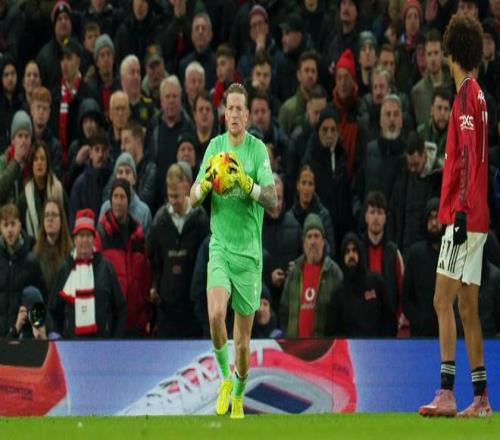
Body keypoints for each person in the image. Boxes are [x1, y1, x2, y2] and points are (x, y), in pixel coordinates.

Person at [419, 12, 492, 418]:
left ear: (452, 53)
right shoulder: (480, 96)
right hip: (478, 215)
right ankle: (481, 399)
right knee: (467, 306)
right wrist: (445, 176)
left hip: (464, 216)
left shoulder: (464, 95)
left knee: (440, 299)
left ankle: (446, 392)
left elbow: (466, 151)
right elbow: (471, 157)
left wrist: (459, 209)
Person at [189, 83, 276, 419]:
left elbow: (272, 200)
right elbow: (192, 198)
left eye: (241, 108)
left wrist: (246, 184)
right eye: (231, 108)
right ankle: (225, 378)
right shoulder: (215, 147)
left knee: (242, 342)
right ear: (225, 114)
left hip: (249, 256)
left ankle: (238, 393)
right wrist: (206, 183)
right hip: (221, 247)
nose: (235, 114)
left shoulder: (257, 151)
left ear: (248, 115)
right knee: (215, 314)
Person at [149, 163, 209, 337]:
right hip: (167, 309)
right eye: (170, 196)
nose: (173, 201)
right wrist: (156, 285)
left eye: (176, 196)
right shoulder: (160, 221)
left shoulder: (200, 220)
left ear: (186, 188)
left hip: (192, 310)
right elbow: (154, 259)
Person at [50, 208, 126, 338]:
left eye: (88, 236)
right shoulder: (65, 269)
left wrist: (115, 341)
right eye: (81, 235)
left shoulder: (106, 267)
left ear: (94, 239)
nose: (85, 240)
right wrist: (57, 338)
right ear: (75, 239)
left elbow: (120, 308)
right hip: (71, 345)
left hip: (102, 344)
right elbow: (53, 311)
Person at [95, 179, 152, 337]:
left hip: (135, 321)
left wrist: (145, 315)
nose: (118, 202)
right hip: (110, 321)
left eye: (122, 197)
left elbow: (145, 278)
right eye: (115, 196)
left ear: (129, 201)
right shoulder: (101, 234)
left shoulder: (138, 236)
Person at [280, 213, 343, 337]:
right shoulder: (294, 273)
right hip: (295, 345)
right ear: (304, 242)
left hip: (324, 345)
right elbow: (284, 310)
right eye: (309, 236)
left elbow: (342, 313)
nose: (313, 241)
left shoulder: (334, 272)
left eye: (316, 236)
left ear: (323, 241)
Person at [327, 232, 397, 337]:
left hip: (377, 345)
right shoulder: (337, 294)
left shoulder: (376, 282)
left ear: (360, 253)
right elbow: (332, 333)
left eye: (354, 250)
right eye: (347, 251)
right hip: (350, 347)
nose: (351, 255)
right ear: (342, 257)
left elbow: (390, 322)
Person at [0, 203, 46, 337]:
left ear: (20, 225)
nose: (10, 229)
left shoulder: (31, 262)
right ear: (0, 228)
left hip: (23, 336)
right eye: (5, 225)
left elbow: (40, 300)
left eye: (13, 224)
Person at [18, 141, 65, 239]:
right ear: (31, 164)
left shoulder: (58, 189)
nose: (39, 163)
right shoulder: (24, 198)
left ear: (47, 163)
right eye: (35, 159)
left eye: (42, 159)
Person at [33, 198, 73, 293]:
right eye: (47, 215)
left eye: (54, 215)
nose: (50, 219)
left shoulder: (71, 253)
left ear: (61, 220)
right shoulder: (36, 253)